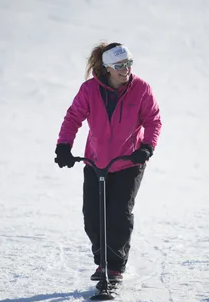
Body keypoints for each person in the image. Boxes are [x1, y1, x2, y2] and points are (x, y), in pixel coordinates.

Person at [54, 42, 162, 282]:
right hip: (96, 161)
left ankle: (113, 266)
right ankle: (102, 261)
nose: (126, 69)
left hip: (129, 161)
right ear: (107, 68)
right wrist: (64, 146)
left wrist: (146, 148)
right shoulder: (90, 90)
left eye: (129, 64)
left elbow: (153, 120)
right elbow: (73, 118)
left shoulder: (141, 89)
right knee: (92, 215)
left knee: (119, 214)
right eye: (120, 65)